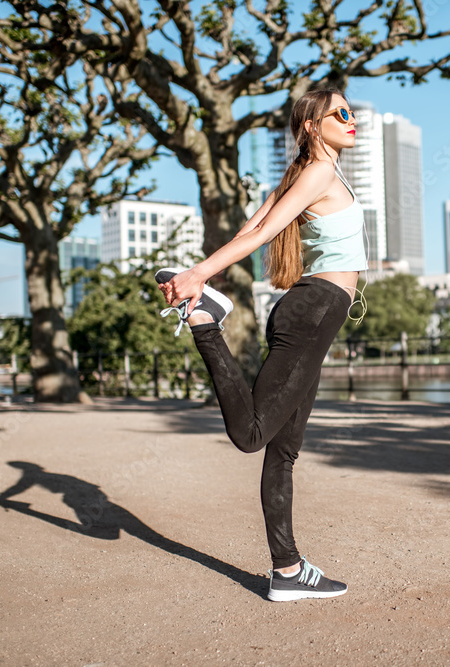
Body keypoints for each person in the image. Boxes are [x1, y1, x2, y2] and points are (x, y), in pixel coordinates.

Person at [156, 88, 367, 602]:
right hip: (312, 312)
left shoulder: (307, 175)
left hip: (312, 313)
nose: (351, 118)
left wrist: (200, 271)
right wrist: (202, 276)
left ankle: (287, 570)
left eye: (351, 110)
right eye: (339, 112)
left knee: (284, 451)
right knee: (255, 436)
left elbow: (253, 225)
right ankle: (206, 323)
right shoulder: (315, 172)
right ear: (313, 126)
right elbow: (266, 230)